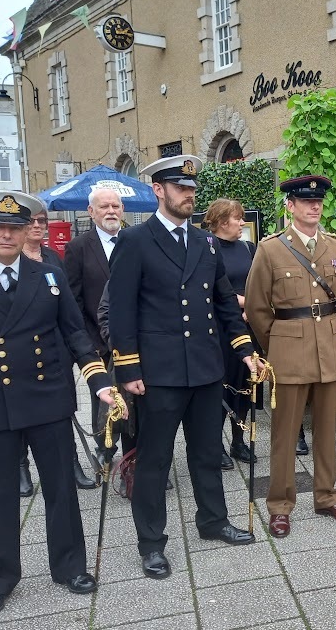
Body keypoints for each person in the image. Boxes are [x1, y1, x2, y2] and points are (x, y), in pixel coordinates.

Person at [0, 190, 119, 619]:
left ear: (24, 232)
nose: (7, 234)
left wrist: (99, 382)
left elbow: (76, 333)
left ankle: (70, 566)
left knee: (61, 488)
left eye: (15, 227)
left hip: (47, 397)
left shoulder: (47, 278)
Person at [109, 154, 256, 580]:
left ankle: (212, 520)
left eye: (192, 189)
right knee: (154, 461)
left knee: (207, 452)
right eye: (180, 188)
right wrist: (128, 369)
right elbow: (121, 312)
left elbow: (224, 302)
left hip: (207, 370)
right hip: (158, 374)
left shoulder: (205, 243)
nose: (189, 195)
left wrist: (245, 349)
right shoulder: (134, 241)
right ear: (158, 190)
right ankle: (152, 543)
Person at [245, 175, 336, 537]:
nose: (314, 206)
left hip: (329, 351)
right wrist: (278, 343)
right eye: (305, 201)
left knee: (327, 431)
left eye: (319, 202)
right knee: (284, 433)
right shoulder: (270, 249)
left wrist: (324, 331)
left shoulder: (335, 245)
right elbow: (258, 308)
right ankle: (280, 505)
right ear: (290, 206)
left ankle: (327, 496)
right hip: (289, 354)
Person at [18, 205, 94, 493]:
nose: (37, 226)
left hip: (56, 349)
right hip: (22, 352)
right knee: (23, 412)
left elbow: (68, 305)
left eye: (42, 221)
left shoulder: (53, 258)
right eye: (31, 221)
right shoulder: (13, 259)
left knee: (64, 409)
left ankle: (71, 463)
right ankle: (21, 467)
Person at [64, 188, 137, 466]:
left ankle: (133, 458)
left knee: (135, 400)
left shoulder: (135, 241)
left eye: (116, 206)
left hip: (132, 341)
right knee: (104, 399)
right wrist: (90, 343)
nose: (111, 211)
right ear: (91, 212)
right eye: (104, 206)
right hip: (98, 343)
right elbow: (74, 302)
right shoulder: (79, 247)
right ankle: (105, 448)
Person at [202, 198, 256, 470]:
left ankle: (238, 440)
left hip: (248, 328)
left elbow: (259, 283)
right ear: (223, 222)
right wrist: (245, 305)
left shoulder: (248, 247)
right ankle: (215, 446)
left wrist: (253, 308)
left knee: (245, 387)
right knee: (221, 389)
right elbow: (207, 291)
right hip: (220, 331)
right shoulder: (206, 248)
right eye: (238, 218)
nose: (242, 223)